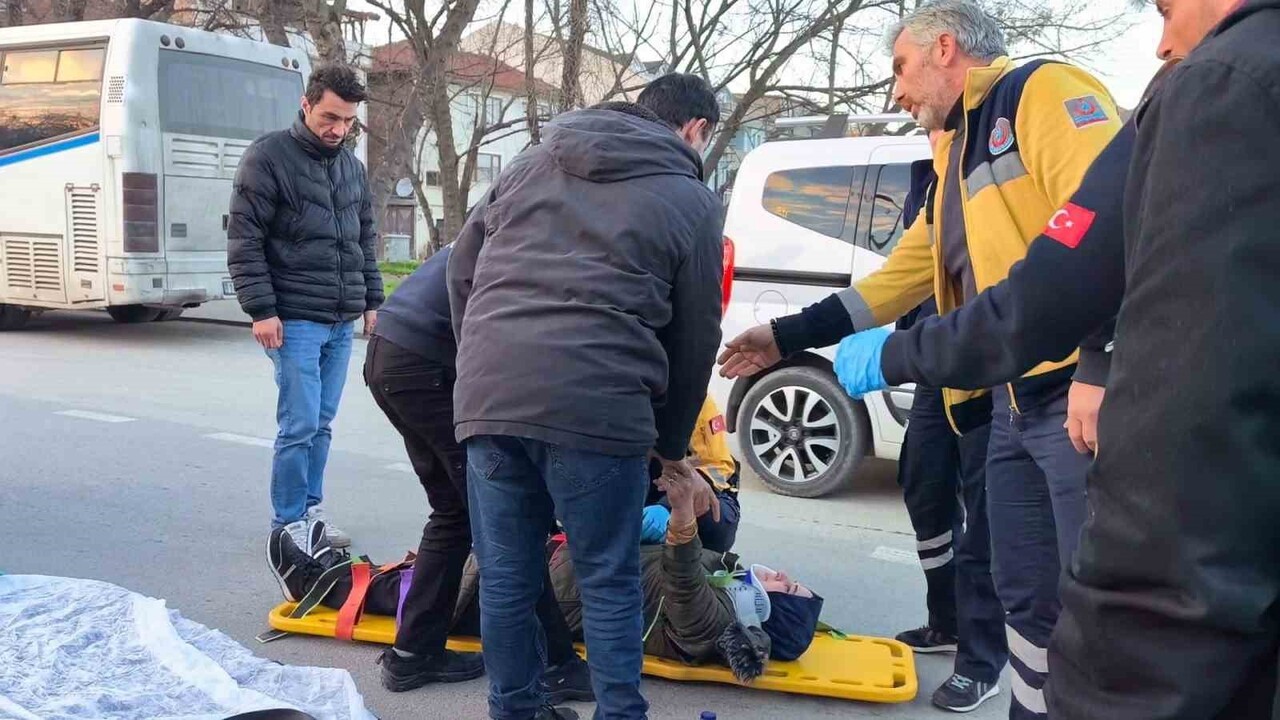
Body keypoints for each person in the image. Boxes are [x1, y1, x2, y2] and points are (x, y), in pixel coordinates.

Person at [716, 4, 1122, 716]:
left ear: (943, 48)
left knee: (1099, 603)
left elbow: (1121, 223)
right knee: (1023, 592)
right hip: (1008, 402)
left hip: (1074, 399)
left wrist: (1100, 360)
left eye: (900, 68)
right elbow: (898, 277)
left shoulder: (1041, 95)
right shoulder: (953, 156)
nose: (895, 92)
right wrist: (786, 336)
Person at [448, 74, 726, 720]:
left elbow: (462, 271)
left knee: (509, 578)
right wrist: (669, 444)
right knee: (607, 577)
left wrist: (483, 365)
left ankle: (513, 711)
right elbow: (696, 336)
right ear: (695, 130)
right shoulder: (690, 199)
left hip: (492, 395)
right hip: (600, 409)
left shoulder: (528, 164)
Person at [265, 470, 824, 684]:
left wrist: (681, 522)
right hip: (564, 570)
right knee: (438, 571)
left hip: (556, 593)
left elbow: (685, 598)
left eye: (787, 585)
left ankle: (312, 580)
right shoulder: (730, 585)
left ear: (772, 612)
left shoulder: (725, 623)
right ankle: (332, 571)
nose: (779, 574)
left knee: (430, 593)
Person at [227, 65, 382, 552]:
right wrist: (260, 309)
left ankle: (311, 512)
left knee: (321, 423)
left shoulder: (351, 167)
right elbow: (244, 238)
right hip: (292, 317)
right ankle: (288, 523)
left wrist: (373, 301)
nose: (338, 129)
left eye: (348, 121)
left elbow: (363, 240)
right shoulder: (268, 157)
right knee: (298, 424)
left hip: (339, 320)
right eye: (330, 117)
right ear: (306, 104)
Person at [888, 141, 1008, 714]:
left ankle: (981, 662)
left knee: (985, 514)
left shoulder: (992, 161)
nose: (900, 96)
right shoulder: (929, 180)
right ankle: (948, 620)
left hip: (995, 365)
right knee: (924, 485)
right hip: (937, 362)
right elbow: (910, 271)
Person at [641, 396, 742, 553]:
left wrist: (666, 507)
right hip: (644, 488)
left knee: (715, 525)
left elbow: (721, 467)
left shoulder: (697, 401)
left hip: (700, 492)